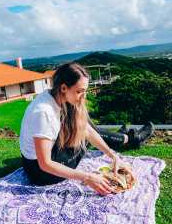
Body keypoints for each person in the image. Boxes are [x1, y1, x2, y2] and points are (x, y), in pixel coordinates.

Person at [20, 63, 136, 196]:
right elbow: (45, 164)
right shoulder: (44, 112)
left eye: (84, 91)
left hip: (41, 160)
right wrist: (87, 177)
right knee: (82, 132)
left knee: (82, 122)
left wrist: (112, 155)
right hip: (40, 173)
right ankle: (127, 139)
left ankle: (125, 138)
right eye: (79, 91)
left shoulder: (55, 97)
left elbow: (87, 130)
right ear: (63, 87)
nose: (84, 96)